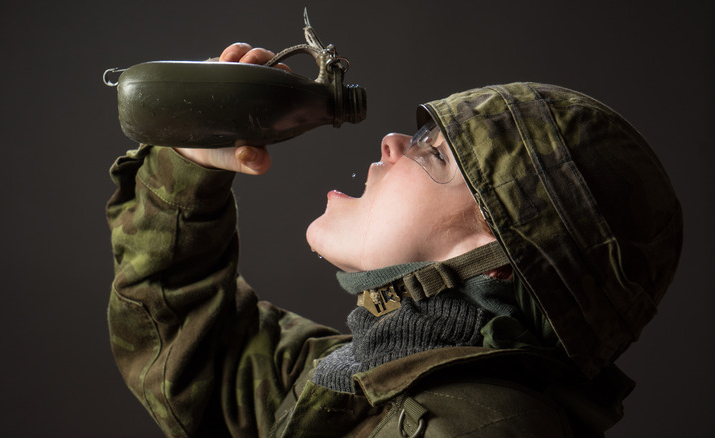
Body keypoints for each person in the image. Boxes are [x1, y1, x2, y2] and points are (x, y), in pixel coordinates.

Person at [106, 43, 683, 437]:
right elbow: (198, 361)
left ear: (496, 261)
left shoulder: (471, 429)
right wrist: (187, 167)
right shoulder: (370, 375)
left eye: (432, 153)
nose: (390, 141)